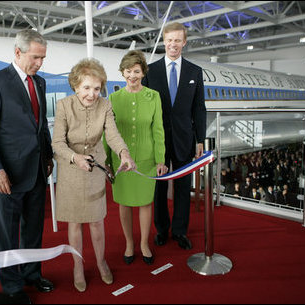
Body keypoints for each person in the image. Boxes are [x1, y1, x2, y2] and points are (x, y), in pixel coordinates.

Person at [0, 29, 54, 304]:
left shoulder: (39, 83)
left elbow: (40, 126)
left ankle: (32, 273)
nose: (40, 64)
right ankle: (11, 286)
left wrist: (49, 155)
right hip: (6, 175)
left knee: (33, 229)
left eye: (43, 58)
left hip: (37, 172)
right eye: (35, 57)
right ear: (17, 53)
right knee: (7, 233)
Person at [52, 58, 136, 293]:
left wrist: (124, 152)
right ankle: (78, 266)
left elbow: (113, 135)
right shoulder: (63, 106)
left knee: (97, 221)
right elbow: (57, 142)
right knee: (75, 222)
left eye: (97, 88)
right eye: (86, 88)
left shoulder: (105, 106)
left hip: (95, 169)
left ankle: (100, 261)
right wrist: (75, 158)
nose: (92, 94)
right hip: (70, 169)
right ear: (76, 86)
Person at [142, 22, 206, 250]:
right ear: (164, 41)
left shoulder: (194, 72)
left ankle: (179, 231)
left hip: (184, 139)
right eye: (169, 40)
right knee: (159, 187)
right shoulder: (150, 71)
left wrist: (200, 139)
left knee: (182, 186)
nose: (173, 44)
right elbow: (145, 108)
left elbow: (199, 108)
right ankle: (161, 229)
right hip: (157, 141)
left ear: (184, 42)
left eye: (178, 40)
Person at [104, 50, 167, 266]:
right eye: (128, 71)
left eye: (137, 71)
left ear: (143, 72)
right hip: (119, 160)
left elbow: (158, 130)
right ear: (122, 73)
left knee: (145, 203)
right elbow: (107, 131)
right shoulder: (113, 98)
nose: (132, 76)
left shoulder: (154, 96)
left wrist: (160, 159)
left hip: (147, 159)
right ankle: (129, 243)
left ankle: (144, 244)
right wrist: (106, 162)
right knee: (124, 203)